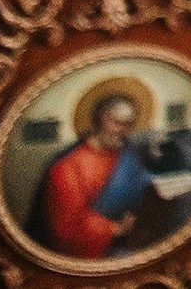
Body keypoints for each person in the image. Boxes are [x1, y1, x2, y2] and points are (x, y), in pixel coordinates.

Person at [33, 93, 142, 259]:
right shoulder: (67, 166)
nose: (123, 131)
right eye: (118, 123)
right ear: (101, 120)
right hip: (93, 252)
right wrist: (114, 229)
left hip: (134, 238)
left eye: (129, 125)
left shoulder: (129, 154)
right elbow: (66, 227)